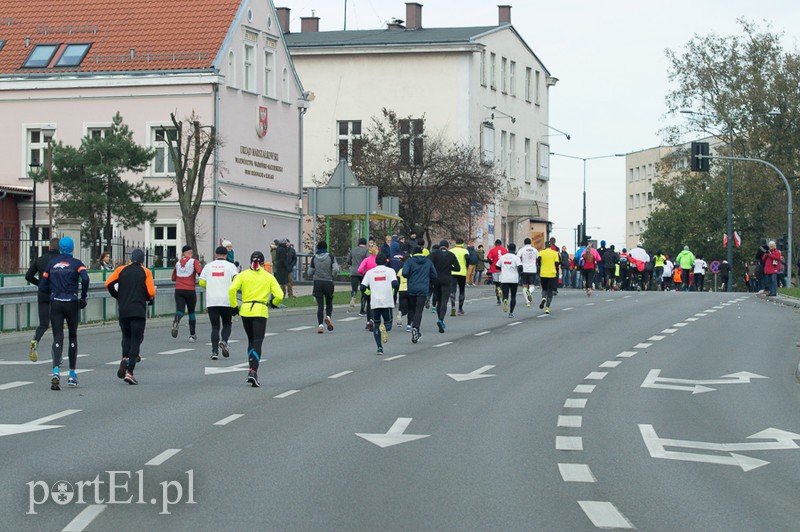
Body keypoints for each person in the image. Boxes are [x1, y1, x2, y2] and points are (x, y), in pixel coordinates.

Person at [39, 236, 89, 390]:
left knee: (57, 336)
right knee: (72, 335)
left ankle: (55, 371)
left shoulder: (51, 264)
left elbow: (42, 285)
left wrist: (52, 291)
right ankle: (72, 375)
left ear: (60, 248)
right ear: (72, 249)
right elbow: (85, 278)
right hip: (72, 302)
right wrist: (83, 296)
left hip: (56, 302)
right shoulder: (77, 264)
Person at [228, 251, 283, 388]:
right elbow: (280, 295)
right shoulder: (268, 277)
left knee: (251, 341)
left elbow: (231, 289)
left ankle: (251, 369)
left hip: (246, 310)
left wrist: (234, 306)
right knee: (258, 342)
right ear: (264, 263)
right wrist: (274, 303)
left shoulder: (243, 274)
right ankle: (253, 372)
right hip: (260, 310)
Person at [105, 249, 155, 385]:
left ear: (131, 259)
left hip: (124, 309)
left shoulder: (121, 270)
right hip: (138, 310)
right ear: (142, 260)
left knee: (126, 337)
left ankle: (124, 358)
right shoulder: (146, 272)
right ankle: (130, 372)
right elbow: (151, 291)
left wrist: (118, 295)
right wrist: (148, 298)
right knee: (136, 340)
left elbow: (108, 283)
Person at [199, 246, 239, 360]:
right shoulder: (231, 266)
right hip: (226, 300)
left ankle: (214, 351)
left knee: (215, 326)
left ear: (216, 255)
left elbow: (201, 282)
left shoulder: (208, 266)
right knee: (227, 324)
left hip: (212, 300)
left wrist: (211, 285)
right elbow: (237, 280)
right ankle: (224, 341)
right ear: (226, 255)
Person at [25, 237, 60, 362]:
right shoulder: (59, 261)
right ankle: (57, 355)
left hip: (43, 294)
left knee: (43, 324)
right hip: (56, 294)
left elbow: (28, 276)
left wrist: (40, 284)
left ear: (49, 247)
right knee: (57, 326)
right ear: (59, 249)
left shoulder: (40, 259)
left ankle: (35, 340)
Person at [360, 253, 399, 355]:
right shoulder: (390, 271)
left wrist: (369, 293)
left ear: (376, 262)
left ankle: (379, 348)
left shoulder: (370, 272)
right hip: (387, 302)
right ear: (386, 261)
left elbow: (362, 287)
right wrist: (394, 293)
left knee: (376, 325)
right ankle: (385, 329)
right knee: (389, 324)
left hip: (375, 302)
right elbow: (395, 284)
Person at [402, 246, 438, 343]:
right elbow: (434, 275)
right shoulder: (428, 262)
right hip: (423, 289)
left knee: (412, 308)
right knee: (419, 310)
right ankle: (416, 328)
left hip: (412, 288)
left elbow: (404, 273)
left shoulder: (409, 261)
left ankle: (412, 324)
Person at [171, 244, 202, 341]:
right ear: (190, 253)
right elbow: (200, 272)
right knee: (191, 312)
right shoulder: (194, 262)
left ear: (183, 253)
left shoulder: (178, 263)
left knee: (180, 310)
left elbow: (173, 278)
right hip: (190, 290)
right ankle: (192, 335)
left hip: (178, 290)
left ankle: (177, 320)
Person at [429, 240, 459, 333]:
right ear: (447, 246)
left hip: (436, 280)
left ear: (440, 246)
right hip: (447, 279)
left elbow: (429, 264)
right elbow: (458, 268)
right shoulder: (451, 255)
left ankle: (439, 318)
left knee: (439, 301)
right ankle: (441, 320)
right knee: (444, 302)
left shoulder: (434, 254)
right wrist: (450, 267)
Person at [309, 241, 339, 333]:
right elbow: (336, 269)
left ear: (317, 248)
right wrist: (332, 276)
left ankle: (320, 325)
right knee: (329, 302)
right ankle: (328, 316)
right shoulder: (331, 257)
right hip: (328, 282)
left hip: (317, 283)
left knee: (320, 305)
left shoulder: (314, 258)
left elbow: (310, 272)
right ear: (326, 248)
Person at [497, 243, 522, 317]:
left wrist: (503, 269)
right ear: (514, 249)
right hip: (514, 279)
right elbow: (520, 267)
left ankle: (505, 300)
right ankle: (511, 313)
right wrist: (518, 271)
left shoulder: (503, 257)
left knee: (505, 294)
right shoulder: (516, 258)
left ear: (508, 249)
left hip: (504, 278)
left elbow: (497, 266)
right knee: (513, 296)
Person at [346, 238, 370, 314]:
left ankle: (353, 296)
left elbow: (348, 260)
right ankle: (362, 309)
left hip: (354, 272)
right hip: (363, 272)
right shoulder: (366, 250)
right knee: (364, 291)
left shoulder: (353, 250)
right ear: (365, 243)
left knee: (354, 288)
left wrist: (352, 264)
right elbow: (368, 260)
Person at [358, 245, 379, 329]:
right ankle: (375, 319)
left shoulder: (366, 260)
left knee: (368, 301)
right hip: (377, 283)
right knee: (376, 301)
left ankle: (368, 320)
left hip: (368, 282)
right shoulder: (378, 260)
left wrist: (365, 273)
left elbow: (359, 270)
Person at [537, 238, 560, 314]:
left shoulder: (541, 252)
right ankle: (547, 308)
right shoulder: (555, 253)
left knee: (544, 289)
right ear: (551, 246)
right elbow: (557, 263)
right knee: (550, 291)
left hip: (543, 273)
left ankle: (543, 298)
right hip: (552, 274)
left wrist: (542, 265)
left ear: (545, 246)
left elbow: (539, 261)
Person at [449, 238, 470, 316]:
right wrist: (466, 266)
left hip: (453, 272)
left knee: (452, 290)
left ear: (455, 243)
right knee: (461, 290)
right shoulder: (465, 251)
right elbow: (468, 258)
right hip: (462, 272)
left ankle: (453, 306)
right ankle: (460, 309)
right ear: (462, 244)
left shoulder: (451, 251)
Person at [517, 238, 539, 307]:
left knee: (524, 286)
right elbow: (538, 258)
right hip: (532, 269)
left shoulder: (522, 250)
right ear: (530, 243)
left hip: (524, 269)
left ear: (524, 243)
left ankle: (527, 302)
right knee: (532, 285)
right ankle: (529, 292)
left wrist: (520, 264)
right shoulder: (535, 250)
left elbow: (517, 257)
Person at [487, 239, 507, 305]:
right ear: (501, 244)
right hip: (503, 269)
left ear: (495, 244)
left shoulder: (492, 250)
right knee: (503, 284)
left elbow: (489, 258)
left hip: (494, 269)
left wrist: (491, 264)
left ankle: (498, 300)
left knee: (496, 284)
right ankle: (503, 296)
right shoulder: (504, 250)